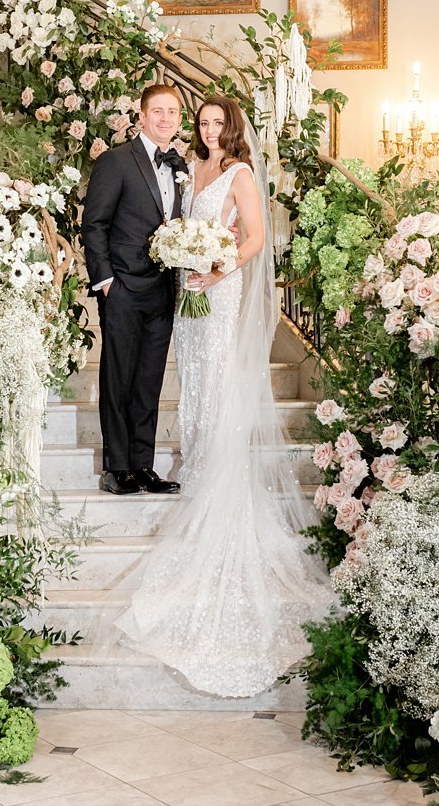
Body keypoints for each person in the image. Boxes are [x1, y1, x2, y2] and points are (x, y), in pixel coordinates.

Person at [112, 96, 336, 698]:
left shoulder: (238, 173)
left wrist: (215, 268)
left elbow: (256, 238)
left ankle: (216, 470)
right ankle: (199, 453)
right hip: (188, 292)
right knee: (193, 381)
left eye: (218, 123)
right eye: (203, 123)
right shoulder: (189, 168)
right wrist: (182, 258)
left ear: (233, 129)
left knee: (215, 377)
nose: (209, 130)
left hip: (219, 289)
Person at [81, 83, 189, 496]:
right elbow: (95, 224)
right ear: (141, 117)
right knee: (119, 378)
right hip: (123, 286)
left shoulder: (179, 165)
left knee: (149, 380)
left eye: (173, 112)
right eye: (157, 111)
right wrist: (107, 281)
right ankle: (116, 467)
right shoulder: (116, 161)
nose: (165, 119)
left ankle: (143, 465)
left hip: (163, 289)